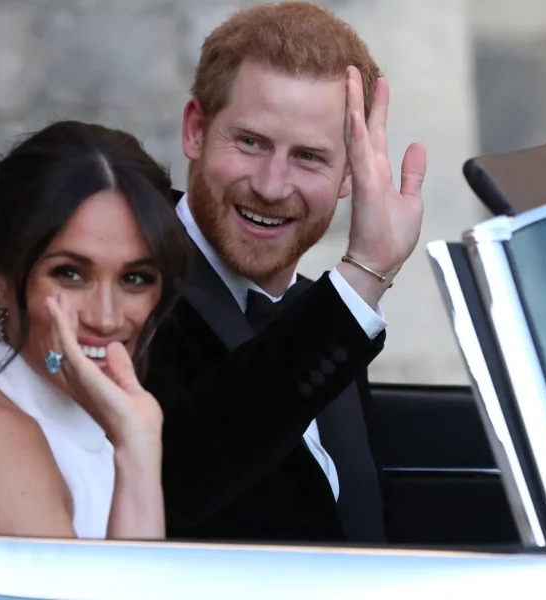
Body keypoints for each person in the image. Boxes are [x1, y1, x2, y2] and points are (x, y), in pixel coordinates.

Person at [146, 2, 427, 542]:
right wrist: (365, 273)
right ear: (196, 130)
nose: (271, 186)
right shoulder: (129, 289)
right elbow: (176, 484)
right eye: (250, 142)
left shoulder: (321, 311)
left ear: (350, 176)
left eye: (308, 157)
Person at [0, 121, 192, 540]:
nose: (105, 318)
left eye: (134, 279)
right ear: (2, 281)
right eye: (70, 274)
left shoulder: (97, 426)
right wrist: (137, 451)